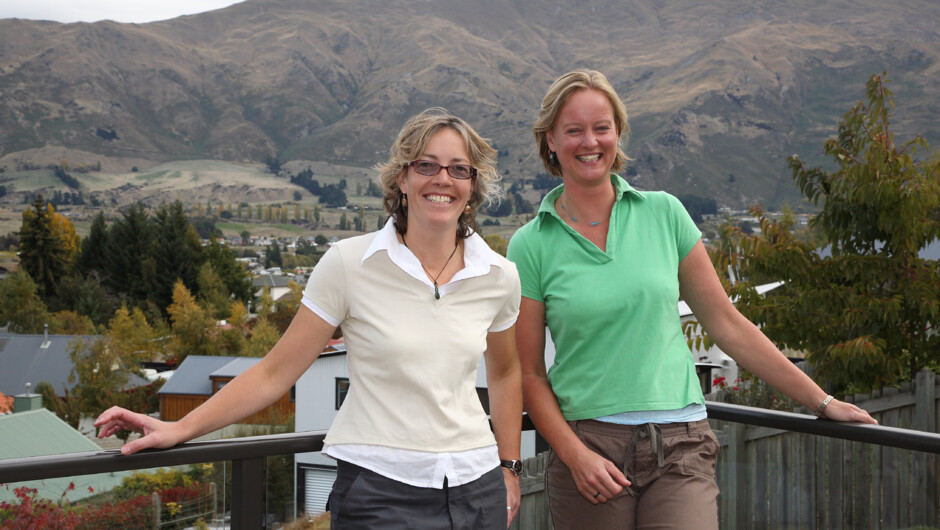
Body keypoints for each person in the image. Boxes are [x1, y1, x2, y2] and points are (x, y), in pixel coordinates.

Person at [95, 108, 524, 529]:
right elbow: (273, 373)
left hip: (476, 488)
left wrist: (509, 467)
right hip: (380, 491)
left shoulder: (498, 276)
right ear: (402, 178)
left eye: (459, 169)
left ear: (472, 186)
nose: (442, 179)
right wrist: (180, 428)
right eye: (426, 165)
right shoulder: (348, 264)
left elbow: (504, 373)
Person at [505, 69, 878, 529]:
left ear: (618, 134)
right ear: (550, 141)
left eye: (602, 127)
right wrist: (574, 455)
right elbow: (529, 374)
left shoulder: (665, 214)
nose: (590, 141)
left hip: (681, 444)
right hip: (590, 448)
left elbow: (726, 324)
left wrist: (822, 403)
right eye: (574, 130)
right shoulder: (530, 243)